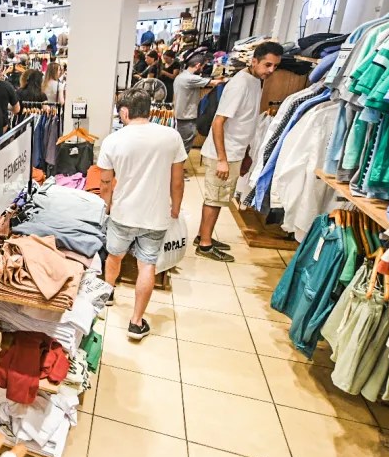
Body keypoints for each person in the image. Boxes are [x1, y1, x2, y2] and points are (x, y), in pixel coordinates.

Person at [98, 88, 187, 340]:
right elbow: (177, 181)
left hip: (123, 213)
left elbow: (105, 183)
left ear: (125, 112)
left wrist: (106, 206)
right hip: (155, 215)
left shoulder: (113, 140)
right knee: (147, 265)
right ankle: (136, 322)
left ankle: (107, 293)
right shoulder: (171, 137)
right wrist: (176, 207)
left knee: (114, 256)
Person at [196, 41, 283, 262]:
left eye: (275, 66)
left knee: (219, 198)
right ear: (254, 61)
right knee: (215, 199)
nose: (271, 70)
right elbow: (218, 122)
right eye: (267, 65)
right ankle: (205, 245)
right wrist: (222, 159)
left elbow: (246, 121)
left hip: (235, 151)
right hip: (224, 153)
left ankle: (203, 236)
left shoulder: (256, 81)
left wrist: (245, 153)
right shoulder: (240, 84)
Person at [172, 56, 224, 154]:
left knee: (181, 145)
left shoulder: (181, 76)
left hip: (181, 116)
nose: (203, 69)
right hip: (187, 118)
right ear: (198, 65)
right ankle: (178, 164)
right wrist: (228, 80)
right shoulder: (191, 78)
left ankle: (177, 163)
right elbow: (215, 83)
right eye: (203, 67)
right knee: (184, 148)